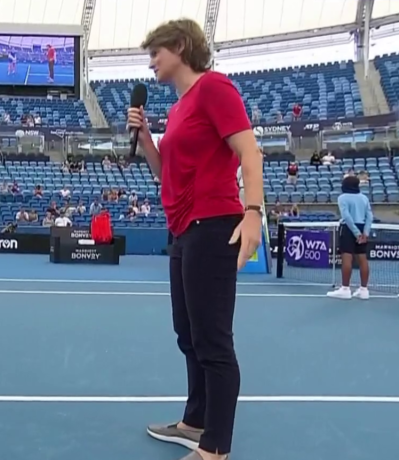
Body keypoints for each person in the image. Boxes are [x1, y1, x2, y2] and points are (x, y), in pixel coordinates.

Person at [126, 18, 263, 460]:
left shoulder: (214, 88)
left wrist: (254, 212)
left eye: (156, 52)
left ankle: (215, 448)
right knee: (187, 333)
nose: (151, 62)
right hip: (184, 229)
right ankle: (195, 420)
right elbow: (165, 173)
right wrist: (146, 138)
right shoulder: (179, 108)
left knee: (213, 341)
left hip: (214, 224)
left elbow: (250, 151)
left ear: (181, 46)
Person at [328, 176, 373, 300]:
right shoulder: (364, 198)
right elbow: (369, 216)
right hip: (362, 227)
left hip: (348, 229)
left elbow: (346, 216)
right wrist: (365, 233)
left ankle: (345, 289)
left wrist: (357, 233)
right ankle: (364, 290)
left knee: (347, 257)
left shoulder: (342, 198)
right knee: (362, 258)